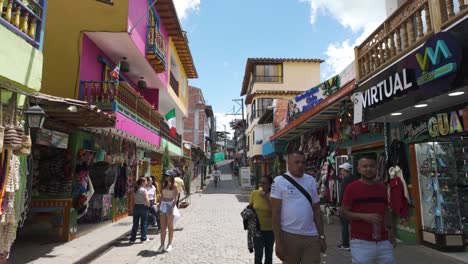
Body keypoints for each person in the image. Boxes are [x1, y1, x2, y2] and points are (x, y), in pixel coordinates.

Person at [271, 151, 326, 264]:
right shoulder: (279, 181)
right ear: (289, 164)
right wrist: (278, 242)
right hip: (289, 235)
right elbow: (275, 213)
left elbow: (316, 210)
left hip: (311, 236)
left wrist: (321, 236)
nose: (300, 165)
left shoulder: (310, 180)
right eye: (297, 162)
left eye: (303, 162)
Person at [342, 156, 396, 264]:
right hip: (361, 242)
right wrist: (364, 216)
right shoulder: (352, 188)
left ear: (377, 168)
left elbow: (386, 211)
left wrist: (390, 230)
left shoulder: (382, 187)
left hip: (383, 240)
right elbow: (344, 212)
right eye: (365, 166)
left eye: (372, 166)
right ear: (358, 169)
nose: (368, 169)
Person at [249, 176, 274, 264]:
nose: (261, 185)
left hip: (270, 230)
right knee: (258, 256)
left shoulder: (274, 195)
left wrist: (266, 198)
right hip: (257, 230)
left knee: (269, 256)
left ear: (270, 185)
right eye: (260, 183)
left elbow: (275, 211)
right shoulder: (254, 193)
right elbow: (250, 208)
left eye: (264, 183)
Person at [157, 170, 179, 253]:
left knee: (170, 226)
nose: (166, 176)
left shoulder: (174, 185)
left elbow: (176, 197)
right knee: (162, 227)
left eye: (167, 175)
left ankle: (169, 244)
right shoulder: (164, 185)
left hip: (170, 205)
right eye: (165, 175)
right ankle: (162, 245)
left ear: (171, 177)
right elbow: (162, 196)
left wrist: (173, 207)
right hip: (163, 205)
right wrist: (159, 206)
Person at [337, 162, 356, 251]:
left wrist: (339, 204)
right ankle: (355, 242)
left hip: (345, 205)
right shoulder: (354, 178)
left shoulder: (346, 179)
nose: (341, 171)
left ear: (345, 170)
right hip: (354, 205)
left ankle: (345, 244)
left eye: (342, 170)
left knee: (344, 225)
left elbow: (343, 193)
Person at [130, 177, 151, 243]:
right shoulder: (144, 190)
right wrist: (149, 205)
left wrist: (131, 208)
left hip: (136, 207)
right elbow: (147, 200)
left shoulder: (135, 190)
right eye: (145, 181)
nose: (146, 182)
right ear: (142, 182)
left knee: (135, 224)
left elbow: (132, 200)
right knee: (143, 224)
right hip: (143, 207)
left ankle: (132, 239)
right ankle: (143, 238)